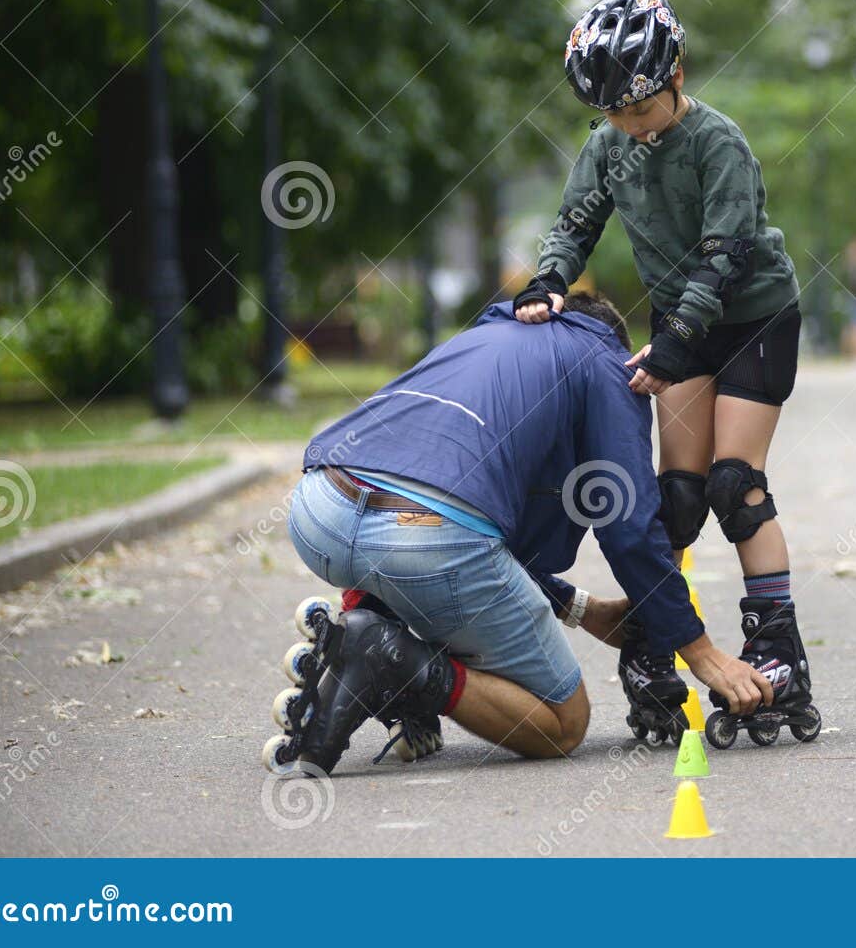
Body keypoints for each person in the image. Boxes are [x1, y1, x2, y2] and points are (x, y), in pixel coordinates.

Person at [266, 292, 771, 777]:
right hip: (426, 541)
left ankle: (361, 648)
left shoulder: (483, 340)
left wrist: (584, 610)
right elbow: (630, 531)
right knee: (562, 723)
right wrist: (701, 653)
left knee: (424, 562)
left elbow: (488, 537)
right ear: (615, 340)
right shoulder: (606, 364)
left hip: (318, 512)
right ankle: (399, 664)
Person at [514, 0, 821, 749]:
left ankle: (778, 649)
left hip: (751, 315)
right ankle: (656, 638)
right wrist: (548, 280)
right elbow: (575, 225)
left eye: (641, 110)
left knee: (733, 486)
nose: (630, 128)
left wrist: (681, 336)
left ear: (675, 74)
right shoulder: (609, 145)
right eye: (615, 115)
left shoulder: (719, 142)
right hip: (682, 325)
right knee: (677, 501)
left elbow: (728, 253)